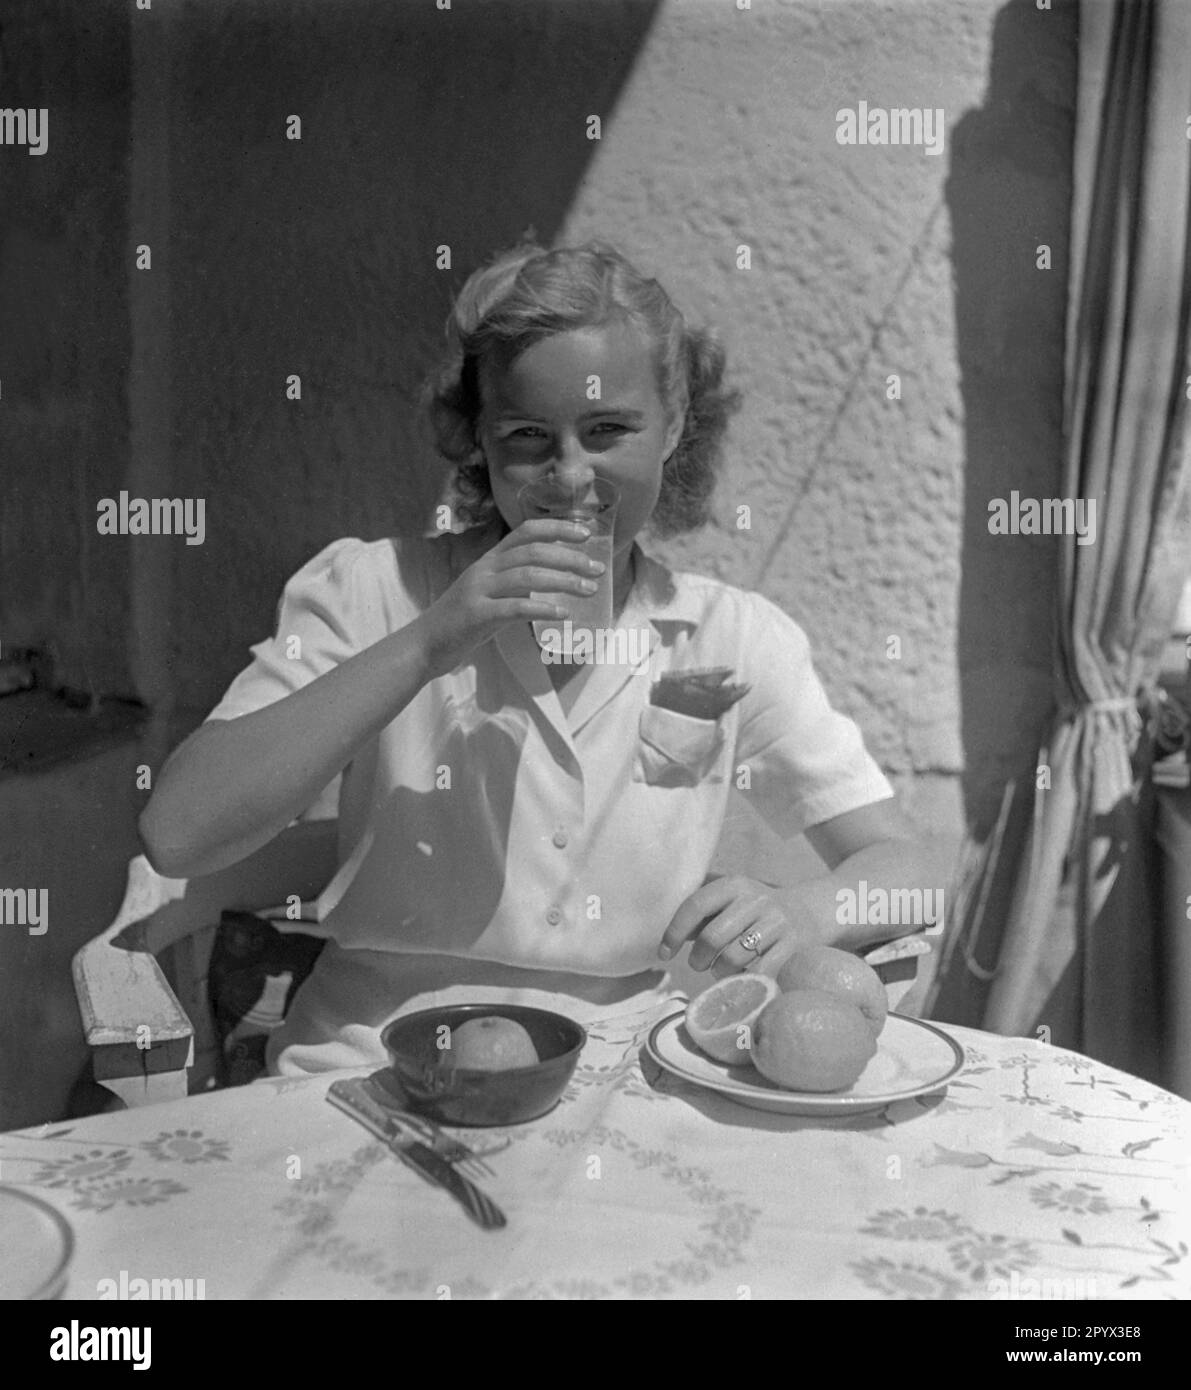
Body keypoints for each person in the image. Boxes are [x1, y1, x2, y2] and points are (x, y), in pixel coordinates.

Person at [139, 240, 942, 1075]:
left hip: (628, 1076)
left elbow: (911, 867)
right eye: (527, 436)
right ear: (476, 443)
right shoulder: (371, 592)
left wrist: (808, 912)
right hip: (367, 1072)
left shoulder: (732, 637)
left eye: (607, 431)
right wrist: (432, 639)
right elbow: (179, 834)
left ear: (672, 426)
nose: (567, 477)